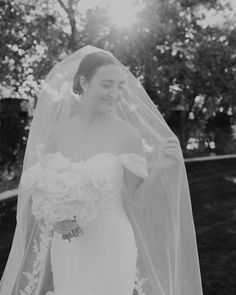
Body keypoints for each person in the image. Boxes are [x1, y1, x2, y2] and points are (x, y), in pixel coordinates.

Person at [0, 45, 203, 295]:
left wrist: (160, 168)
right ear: (84, 83)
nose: (115, 93)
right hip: (69, 249)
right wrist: (56, 217)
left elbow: (137, 201)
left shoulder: (127, 135)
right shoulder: (58, 134)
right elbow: (44, 189)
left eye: (120, 86)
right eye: (107, 84)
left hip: (112, 244)